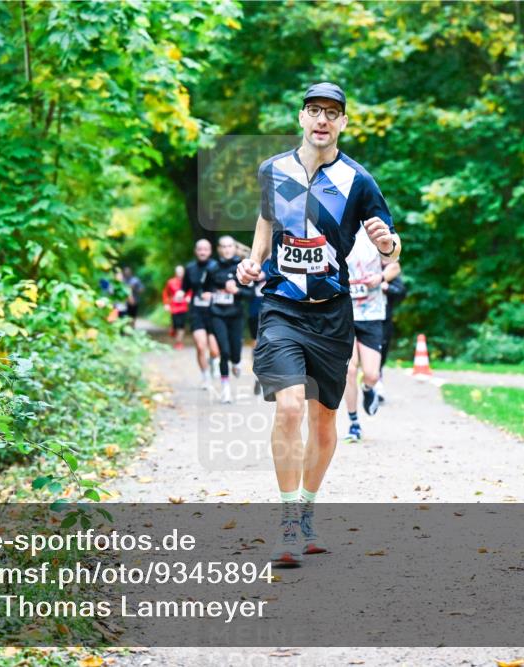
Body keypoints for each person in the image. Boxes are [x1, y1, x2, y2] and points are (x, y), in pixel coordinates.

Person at [236, 82, 401, 566]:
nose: (322, 120)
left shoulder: (359, 180)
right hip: (281, 307)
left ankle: (306, 512)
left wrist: (387, 243)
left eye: (332, 113)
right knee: (288, 407)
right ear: (302, 118)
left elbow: (393, 242)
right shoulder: (273, 170)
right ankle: (288, 523)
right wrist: (253, 260)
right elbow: (267, 219)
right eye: (314, 111)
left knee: (324, 419)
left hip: (332, 311)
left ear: (344, 123)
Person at [342, 226, 399, 441]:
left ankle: (368, 388)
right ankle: (354, 422)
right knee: (349, 370)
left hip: (372, 314)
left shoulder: (374, 235)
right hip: (345, 314)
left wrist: (380, 277)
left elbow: (395, 267)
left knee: (372, 374)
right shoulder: (337, 230)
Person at [203, 236, 251, 404]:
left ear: (234, 248)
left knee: (235, 354)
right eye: (223, 246)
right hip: (217, 314)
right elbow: (204, 290)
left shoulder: (242, 268)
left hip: (236, 315)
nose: (226, 249)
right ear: (218, 249)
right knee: (224, 351)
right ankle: (226, 389)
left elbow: (250, 295)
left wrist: (236, 291)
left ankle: (237, 363)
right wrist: (208, 294)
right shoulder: (212, 268)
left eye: (229, 246)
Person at [182, 240, 221, 389]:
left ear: (210, 251)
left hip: (214, 312)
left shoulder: (216, 267)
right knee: (200, 346)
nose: (202, 252)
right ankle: (205, 377)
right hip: (196, 311)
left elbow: (223, 287)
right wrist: (180, 293)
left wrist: (212, 294)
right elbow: (184, 288)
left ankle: (213, 363)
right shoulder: (190, 268)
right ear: (195, 251)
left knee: (215, 350)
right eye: (200, 249)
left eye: (205, 249)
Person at [376, 263, 405, 403]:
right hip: (360, 319)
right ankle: (373, 383)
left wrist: (387, 288)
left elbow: (401, 292)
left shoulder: (388, 271)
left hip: (383, 319)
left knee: (382, 351)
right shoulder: (361, 267)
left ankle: (376, 381)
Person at [162, 265, 190, 350]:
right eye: (178, 272)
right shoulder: (170, 282)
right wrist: (166, 304)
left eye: (181, 272)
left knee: (181, 325)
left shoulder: (187, 282)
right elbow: (165, 293)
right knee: (175, 324)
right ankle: (173, 329)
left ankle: (179, 343)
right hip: (174, 307)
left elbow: (191, 291)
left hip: (183, 306)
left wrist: (189, 297)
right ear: (175, 273)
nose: (180, 274)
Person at [247, 277, 267, 395]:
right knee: (256, 345)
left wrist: (265, 277)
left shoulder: (276, 263)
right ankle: (257, 375)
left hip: (273, 311)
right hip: (254, 311)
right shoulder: (253, 264)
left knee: (271, 344)